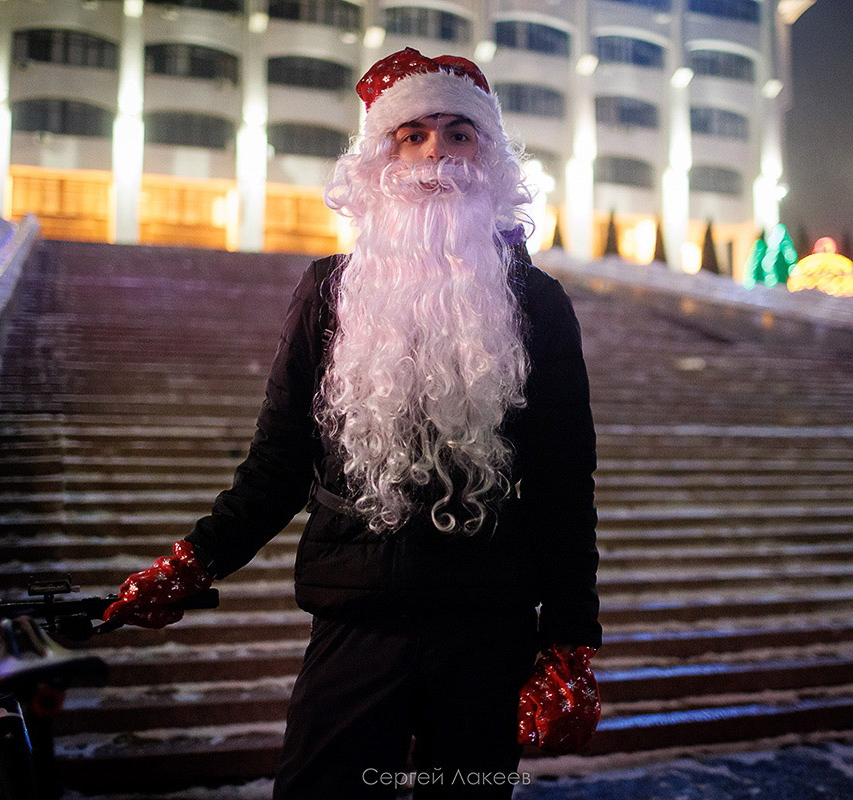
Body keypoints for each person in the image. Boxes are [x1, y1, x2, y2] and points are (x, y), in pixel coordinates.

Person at [105, 48, 600, 799]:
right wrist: (194, 562)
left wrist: (569, 641)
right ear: (381, 160)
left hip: (486, 626)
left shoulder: (539, 303)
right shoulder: (329, 293)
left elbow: (564, 483)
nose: (437, 152)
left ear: (489, 159)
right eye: (414, 134)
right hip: (356, 617)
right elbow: (278, 462)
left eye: (459, 133)